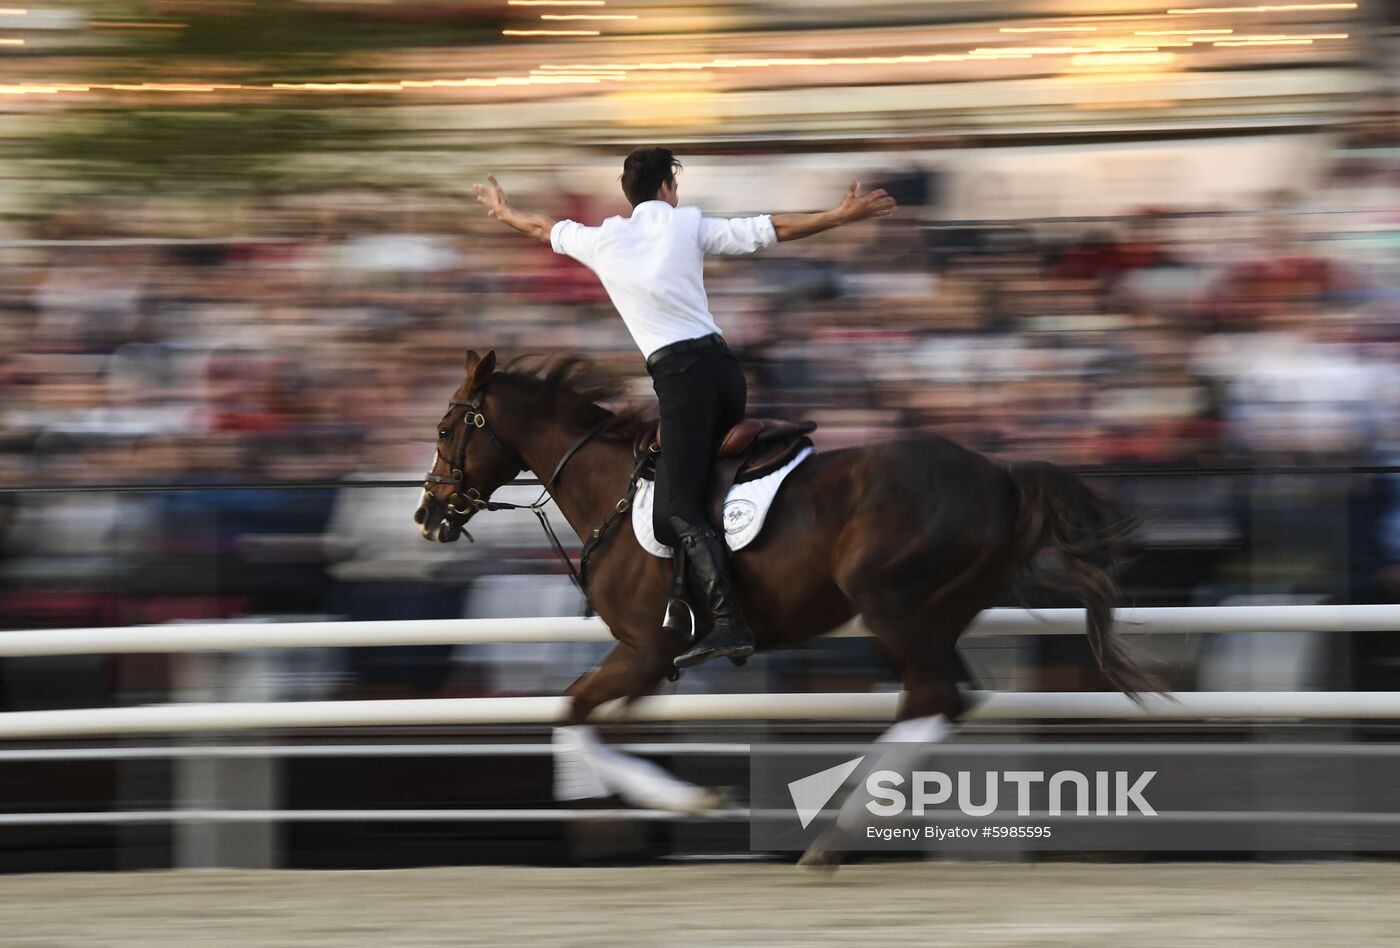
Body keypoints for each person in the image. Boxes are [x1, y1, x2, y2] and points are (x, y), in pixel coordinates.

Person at [471, 146, 896, 669]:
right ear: (668, 188)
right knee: (686, 481)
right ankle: (698, 587)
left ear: (630, 195)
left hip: (680, 382)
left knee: (680, 506)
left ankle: (727, 620)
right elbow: (769, 228)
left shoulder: (601, 239)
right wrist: (838, 216)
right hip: (723, 374)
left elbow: (541, 228)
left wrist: (504, 209)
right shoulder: (686, 224)